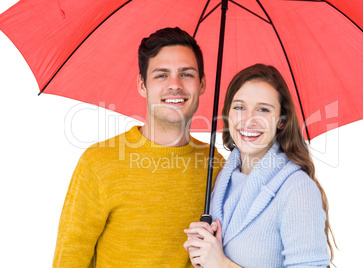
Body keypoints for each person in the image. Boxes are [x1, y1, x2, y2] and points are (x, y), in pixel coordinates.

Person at [53, 27, 224, 267]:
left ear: (202, 84)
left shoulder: (216, 166)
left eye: (186, 74)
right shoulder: (99, 163)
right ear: (142, 85)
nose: (175, 85)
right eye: (161, 75)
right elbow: (70, 258)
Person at [184, 64, 335, 267]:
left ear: (281, 121)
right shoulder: (222, 180)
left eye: (263, 109)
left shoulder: (298, 190)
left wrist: (222, 264)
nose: (249, 120)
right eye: (239, 107)